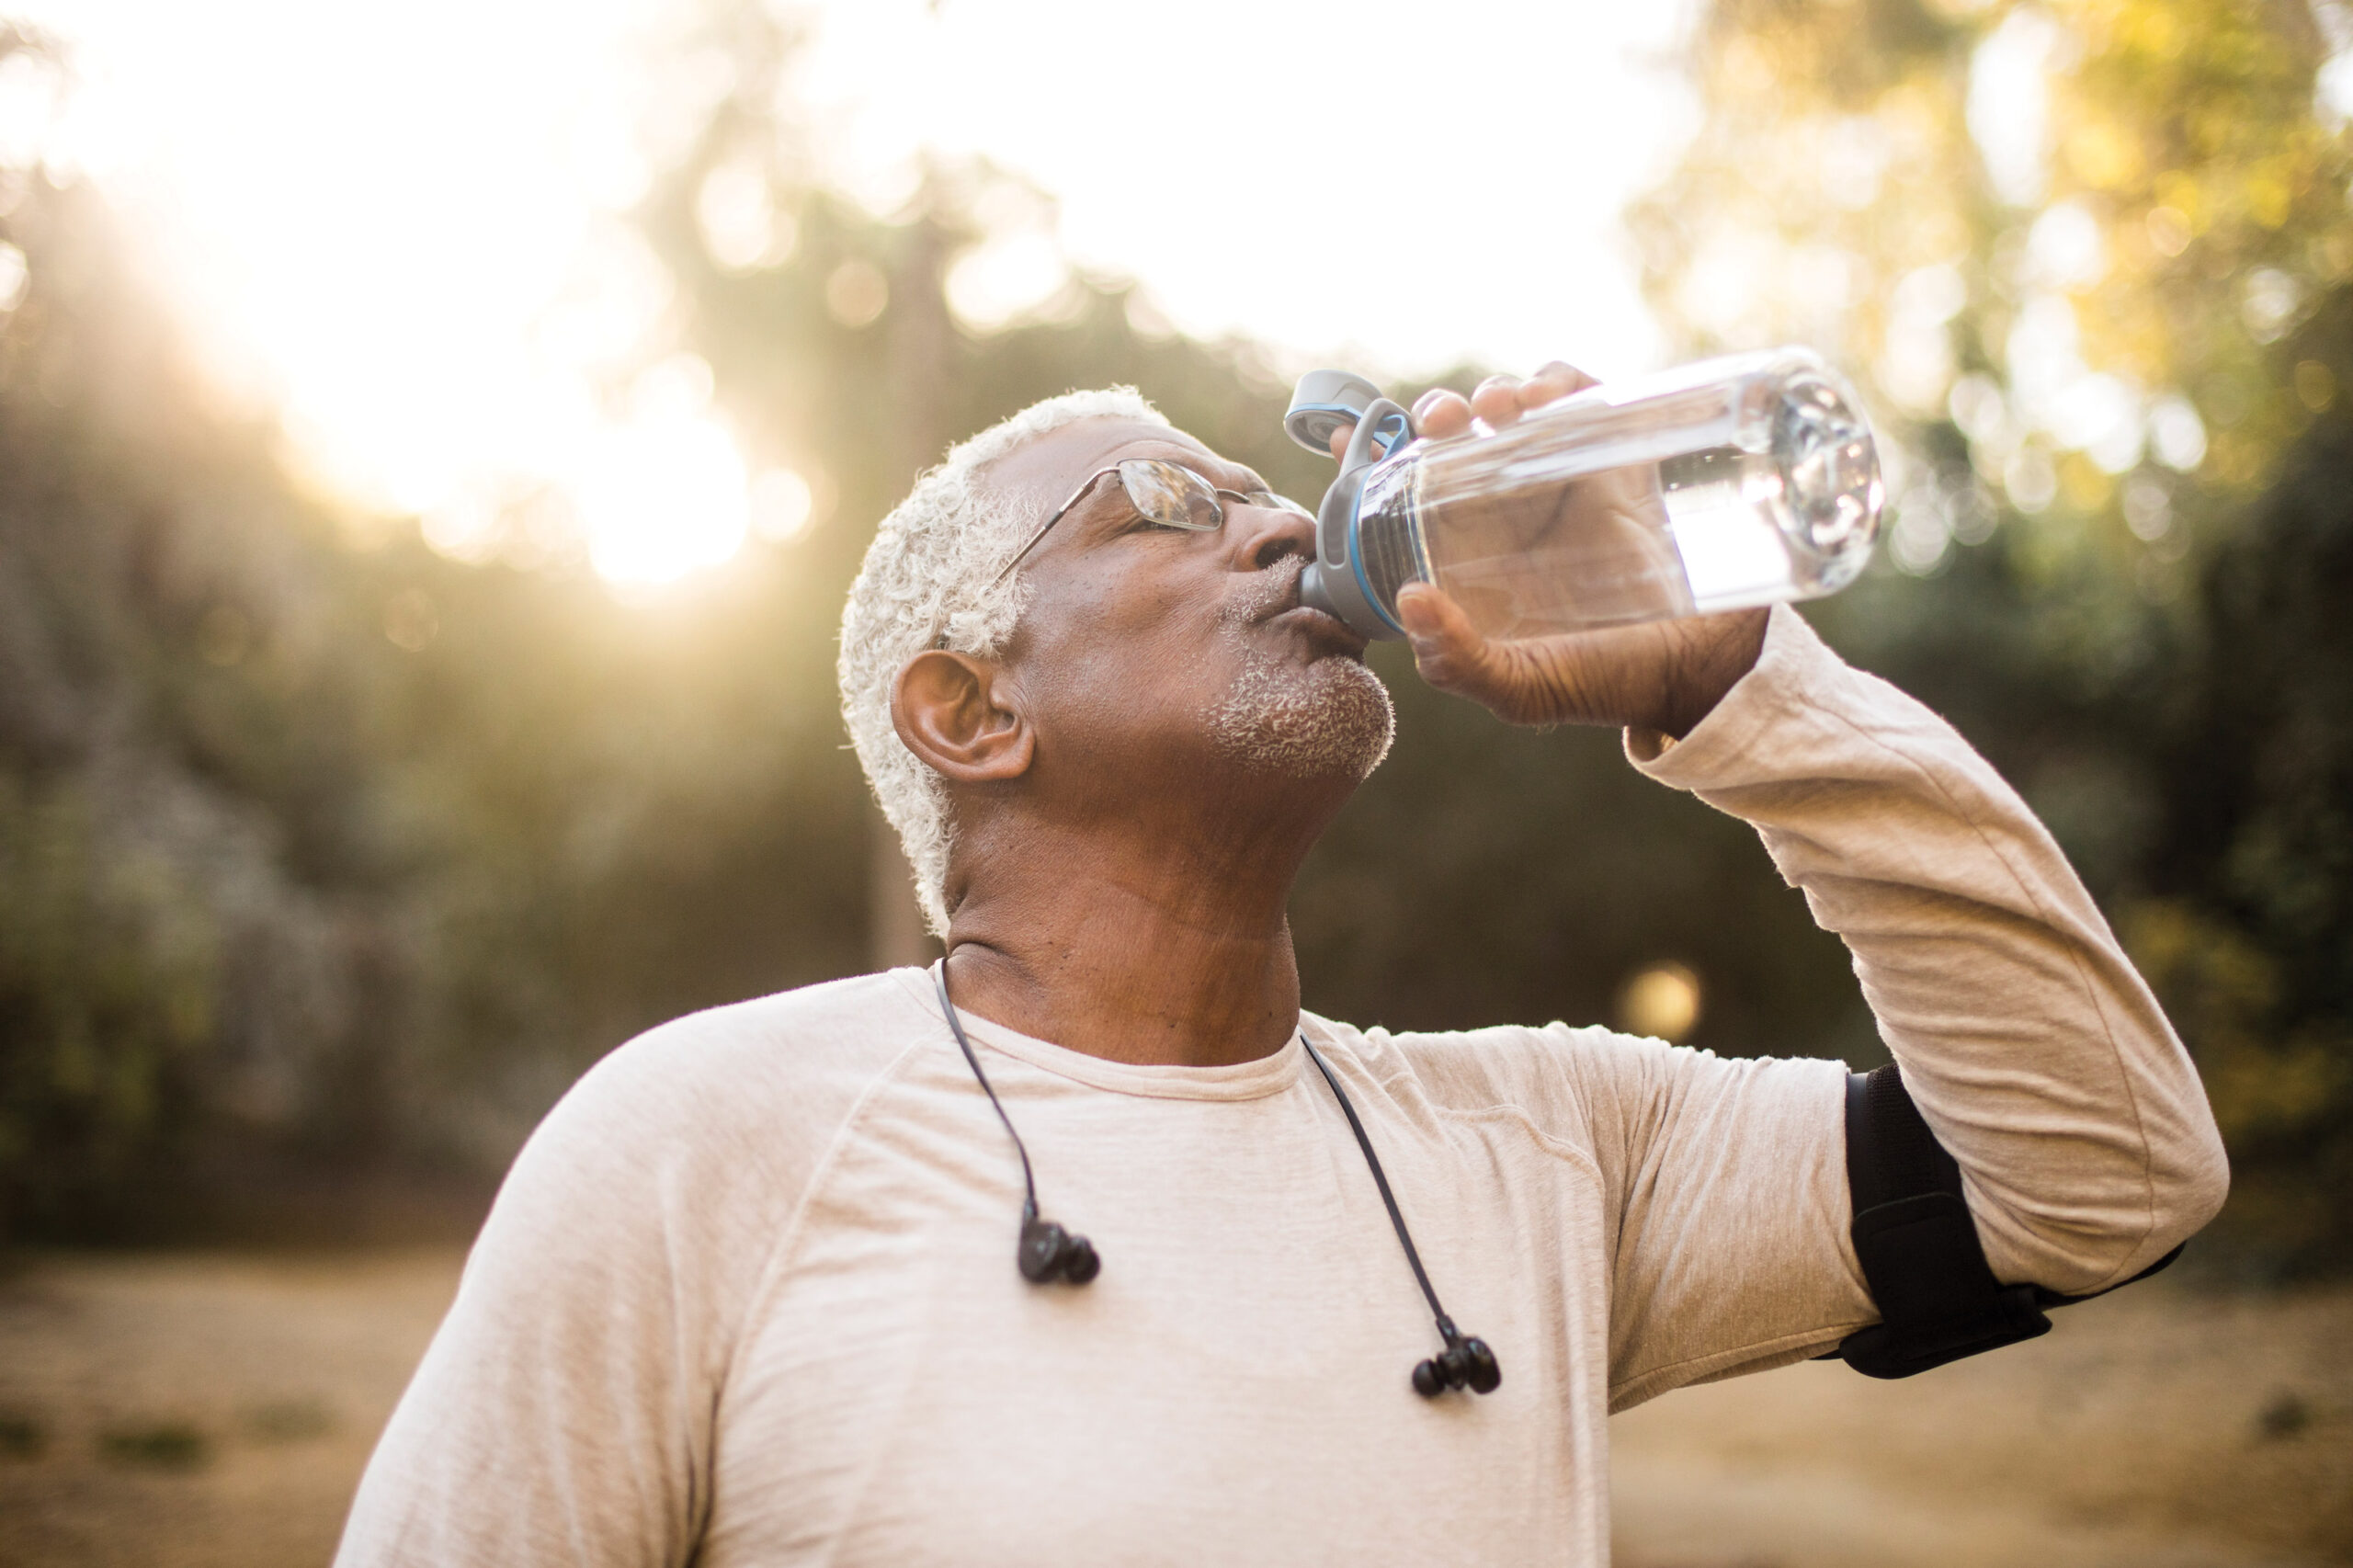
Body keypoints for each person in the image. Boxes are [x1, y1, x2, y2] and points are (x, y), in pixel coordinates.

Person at [335, 366, 2227, 1566]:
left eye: (1259, 485)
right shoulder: (700, 1140)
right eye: (1156, 506)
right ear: (968, 709)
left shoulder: (1550, 1145)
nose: (1264, 518)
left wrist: (1737, 689)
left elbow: (2104, 1171)